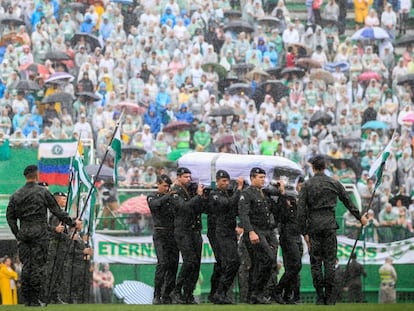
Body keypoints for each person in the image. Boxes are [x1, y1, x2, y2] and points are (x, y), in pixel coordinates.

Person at [6, 165, 82, 306]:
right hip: (40, 234)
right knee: (38, 267)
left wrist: (17, 233)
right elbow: (57, 211)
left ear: (25, 176)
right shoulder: (42, 192)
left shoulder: (16, 194)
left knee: (26, 267)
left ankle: (26, 299)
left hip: (24, 233)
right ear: (37, 175)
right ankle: (34, 299)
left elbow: (10, 217)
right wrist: (72, 222)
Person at [298, 155, 368, 305]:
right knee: (330, 262)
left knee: (316, 262)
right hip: (329, 224)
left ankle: (320, 296)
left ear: (313, 167)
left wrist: (304, 232)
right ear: (325, 167)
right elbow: (348, 202)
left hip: (314, 226)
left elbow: (301, 211)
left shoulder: (307, 185)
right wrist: (360, 218)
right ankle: (329, 297)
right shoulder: (334, 182)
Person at [238, 167, 279, 304]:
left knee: (258, 264)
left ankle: (253, 295)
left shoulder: (264, 193)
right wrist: (250, 232)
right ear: (252, 178)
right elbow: (244, 214)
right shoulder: (247, 193)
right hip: (255, 231)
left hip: (266, 231)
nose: (263, 180)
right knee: (268, 259)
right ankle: (257, 293)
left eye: (264, 177)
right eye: (260, 177)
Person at [170, 167, 206, 304]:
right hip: (183, 231)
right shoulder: (175, 192)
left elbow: (199, 208)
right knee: (189, 261)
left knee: (196, 264)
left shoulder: (190, 190)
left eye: (190, 177)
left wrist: (201, 197)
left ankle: (188, 293)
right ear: (178, 177)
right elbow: (184, 208)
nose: (189, 179)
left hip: (195, 230)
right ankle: (177, 290)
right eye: (185, 177)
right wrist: (198, 196)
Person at [209, 170, 244, 304]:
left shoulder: (227, 193)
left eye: (227, 181)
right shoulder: (214, 194)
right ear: (217, 181)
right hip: (222, 232)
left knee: (224, 264)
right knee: (233, 261)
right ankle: (220, 292)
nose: (226, 183)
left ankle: (216, 293)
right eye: (223, 181)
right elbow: (228, 204)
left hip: (230, 231)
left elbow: (235, 207)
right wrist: (239, 188)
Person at [147, 174, 179, 304]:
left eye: (168, 186)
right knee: (162, 263)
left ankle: (167, 294)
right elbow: (155, 205)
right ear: (158, 184)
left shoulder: (172, 198)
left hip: (172, 233)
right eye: (164, 186)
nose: (167, 188)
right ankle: (157, 294)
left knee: (173, 264)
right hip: (160, 233)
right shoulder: (152, 196)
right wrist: (169, 195)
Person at [273, 185, 303, 304]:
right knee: (296, 265)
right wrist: (282, 194)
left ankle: (286, 295)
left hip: (296, 237)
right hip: (288, 237)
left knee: (292, 268)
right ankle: (278, 290)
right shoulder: (282, 209)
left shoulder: (296, 209)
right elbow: (282, 214)